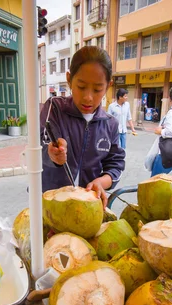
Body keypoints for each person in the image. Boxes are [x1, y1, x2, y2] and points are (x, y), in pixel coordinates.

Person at [40, 46, 126, 208]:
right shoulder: (55, 108)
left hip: (88, 209)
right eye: (81, 87)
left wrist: (101, 182)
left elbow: (115, 166)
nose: (88, 97)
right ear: (69, 79)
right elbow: (40, 147)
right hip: (51, 206)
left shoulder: (110, 124)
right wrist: (52, 154)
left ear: (108, 86)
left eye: (97, 89)